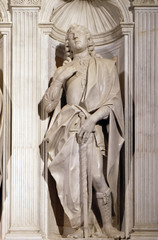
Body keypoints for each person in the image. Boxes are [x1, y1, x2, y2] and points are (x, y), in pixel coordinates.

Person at [43, 24, 124, 238]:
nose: (75, 35)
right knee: (72, 183)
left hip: (92, 126)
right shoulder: (62, 70)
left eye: (79, 33)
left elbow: (113, 102)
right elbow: (47, 108)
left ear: (89, 40)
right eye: (70, 35)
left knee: (97, 176)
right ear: (67, 44)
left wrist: (92, 120)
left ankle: (107, 225)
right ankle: (80, 227)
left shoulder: (106, 66)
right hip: (67, 129)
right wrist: (60, 78)